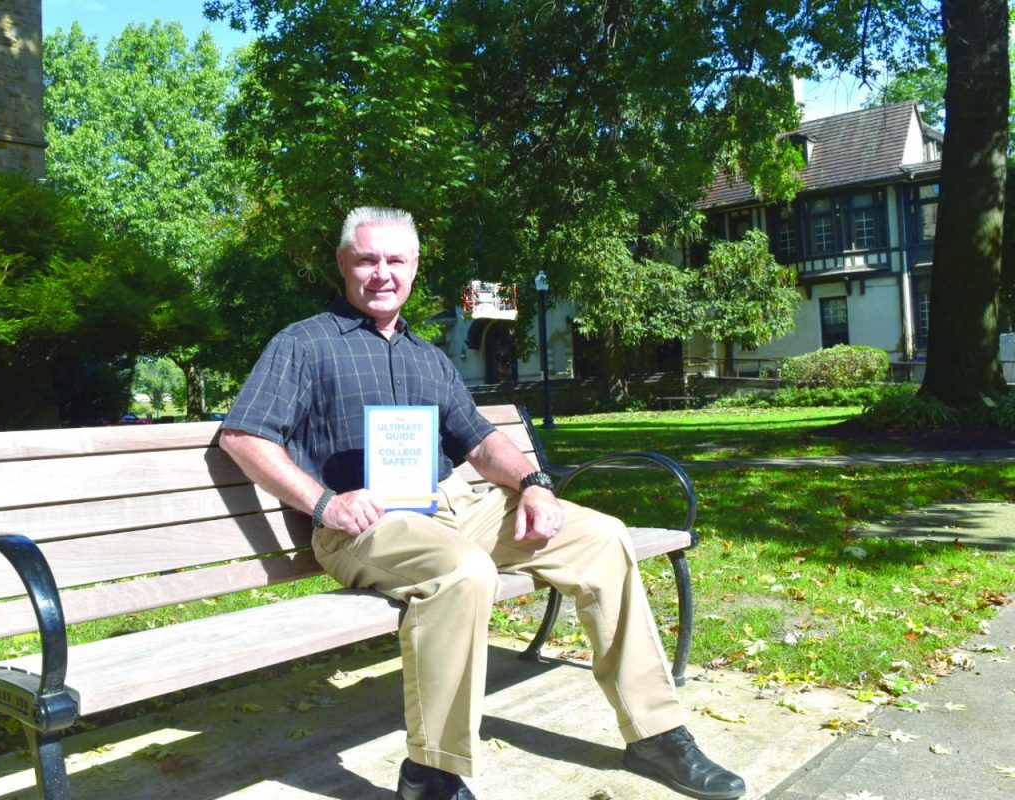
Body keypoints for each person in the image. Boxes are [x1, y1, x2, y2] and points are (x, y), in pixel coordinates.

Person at [220, 207, 745, 800]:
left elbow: (482, 441)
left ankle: (656, 732)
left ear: (415, 268)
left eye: (396, 260)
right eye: (367, 259)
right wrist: (324, 504)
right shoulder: (304, 343)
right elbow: (243, 435)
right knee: (463, 572)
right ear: (344, 263)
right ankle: (433, 774)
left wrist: (534, 484)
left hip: (450, 507)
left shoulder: (429, 357)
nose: (382, 273)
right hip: (362, 525)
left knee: (602, 536)